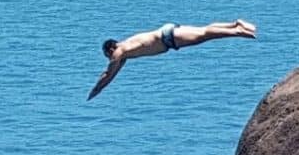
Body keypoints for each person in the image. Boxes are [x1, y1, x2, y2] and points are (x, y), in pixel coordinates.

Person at [87, 19, 257, 100]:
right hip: (168, 35)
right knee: (204, 32)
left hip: (167, 37)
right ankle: (235, 25)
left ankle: (237, 31)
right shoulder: (125, 52)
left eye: (107, 56)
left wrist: (95, 90)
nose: (110, 59)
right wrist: (100, 89)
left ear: (110, 49)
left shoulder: (119, 51)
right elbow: (112, 75)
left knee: (204, 35)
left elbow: (107, 74)